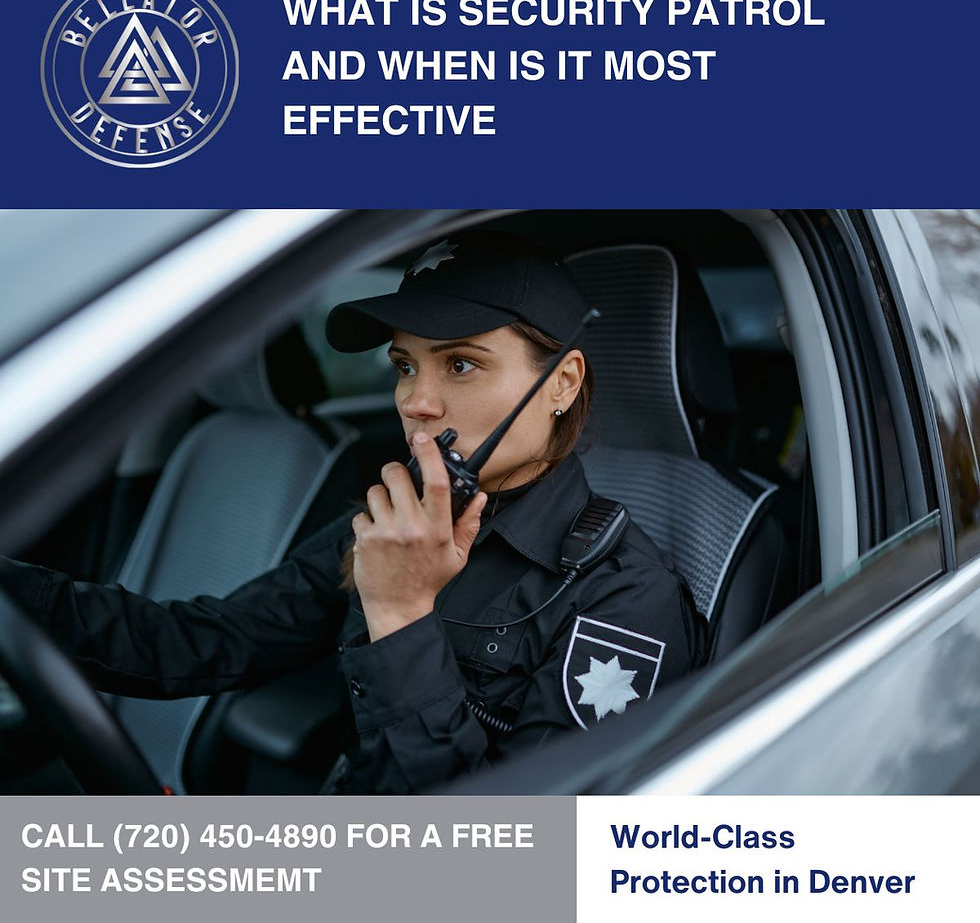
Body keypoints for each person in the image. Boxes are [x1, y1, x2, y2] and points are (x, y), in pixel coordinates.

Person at [0, 230, 705, 793]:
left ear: (562, 383)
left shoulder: (624, 597)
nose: (415, 402)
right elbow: (202, 642)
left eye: (460, 364)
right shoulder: (398, 520)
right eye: (405, 365)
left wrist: (401, 616)